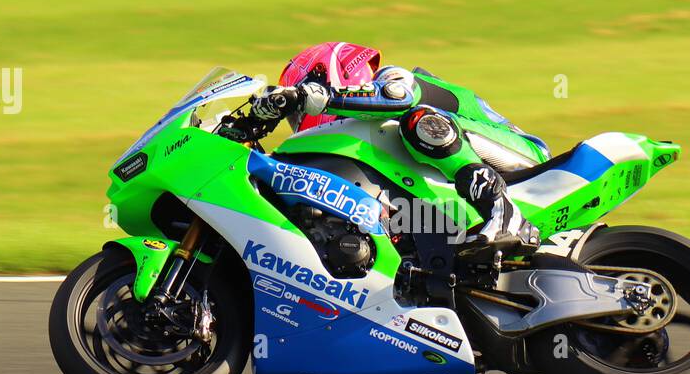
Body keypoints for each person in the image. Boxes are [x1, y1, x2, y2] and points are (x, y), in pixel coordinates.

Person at [231, 41, 542, 254]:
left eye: (301, 108)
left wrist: (311, 96)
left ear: (328, 75)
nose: (302, 120)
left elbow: (398, 97)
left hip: (523, 162)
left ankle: (504, 213)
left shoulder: (395, 78)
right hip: (453, 198)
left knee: (419, 120)